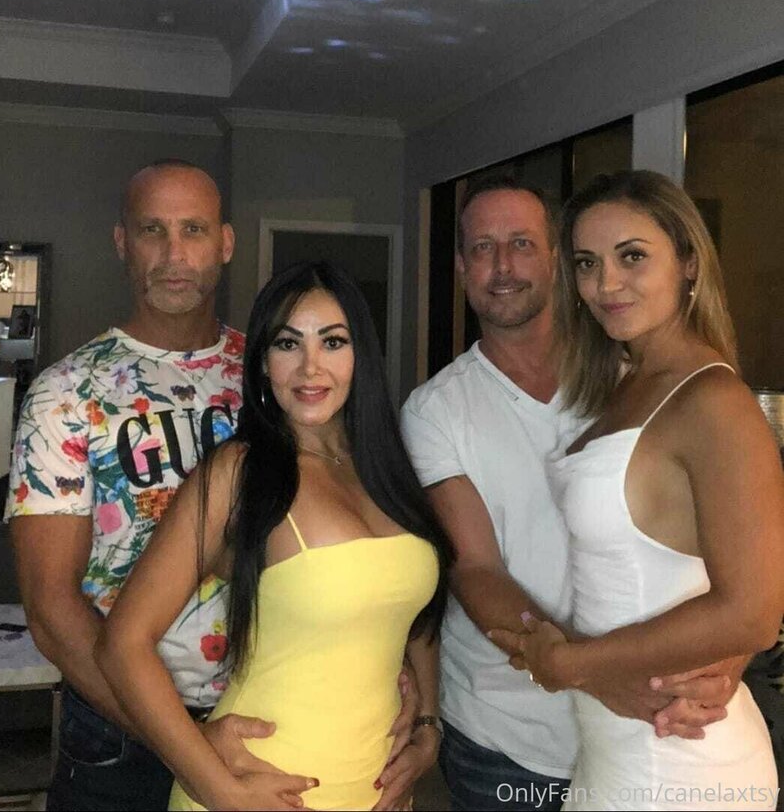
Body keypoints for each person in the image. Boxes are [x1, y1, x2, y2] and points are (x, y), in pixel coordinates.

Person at [401, 171, 745, 812]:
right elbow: (475, 569)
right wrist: (594, 673)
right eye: (482, 248)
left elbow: (740, 557)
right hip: (509, 740)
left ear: (556, 260)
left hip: (655, 723)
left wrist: (732, 657)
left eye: (522, 244)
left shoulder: (641, 382)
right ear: (462, 267)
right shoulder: (434, 410)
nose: (503, 266)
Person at [95, 260, 453, 812]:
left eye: (333, 341)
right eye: (288, 344)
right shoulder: (238, 473)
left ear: (361, 355)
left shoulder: (385, 467)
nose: (311, 367)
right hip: (260, 789)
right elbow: (122, 644)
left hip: (380, 793)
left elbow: (417, 613)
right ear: (263, 362)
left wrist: (428, 721)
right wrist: (217, 790)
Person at [502, 170, 783, 810]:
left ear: (689, 261)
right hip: (618, 747)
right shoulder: (628, 382)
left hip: (680, 762)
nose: (605, 284)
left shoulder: (715, 401)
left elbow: (754, 611)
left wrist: (571, 664)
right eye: (586, 263)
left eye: (632, 257)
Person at [6, 160, 275, 811]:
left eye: (194, 229)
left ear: (225, 243)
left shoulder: (276, 377)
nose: (174, 253)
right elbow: (51, 610)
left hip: (269, 709)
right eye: (153, 230)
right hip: (120, 736)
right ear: (123, 243)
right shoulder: (66, 394)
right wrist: (186, 743)